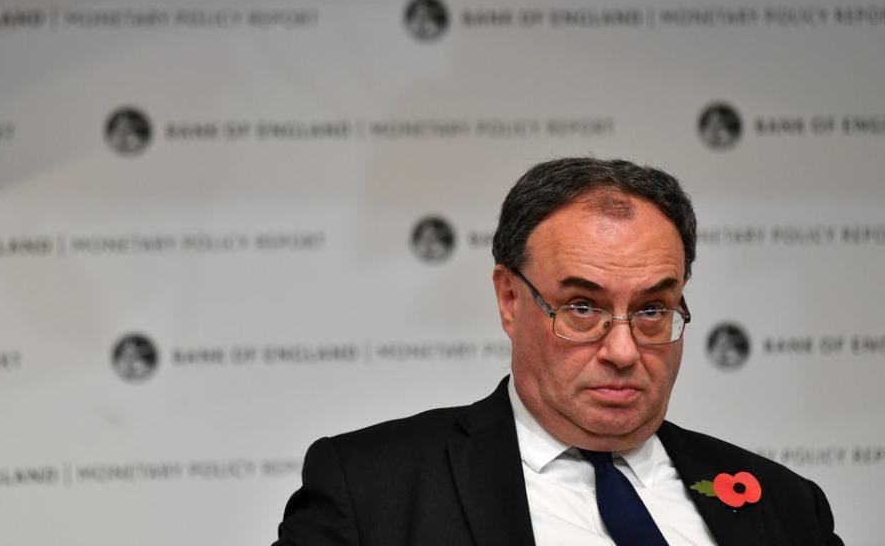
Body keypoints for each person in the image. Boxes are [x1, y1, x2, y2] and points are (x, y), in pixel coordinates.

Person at [274, 157, 842, 545]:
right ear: (509, 299)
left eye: (650, 311)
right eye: (582, 308)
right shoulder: (374, 488)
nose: (622, 350)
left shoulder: (783, 505)